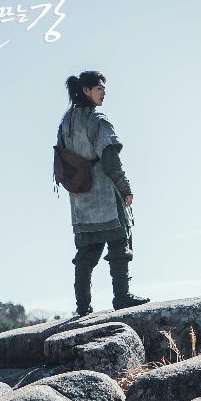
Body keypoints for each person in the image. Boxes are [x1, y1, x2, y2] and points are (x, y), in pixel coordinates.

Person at [57, 70, 150, 316]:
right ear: (86, 90)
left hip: (80, 198)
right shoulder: (98, 120)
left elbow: (61, 161)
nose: (104, 93)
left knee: (87, 252)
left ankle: (82, 308)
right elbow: (110, 160)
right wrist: (125, 188)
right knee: (120, 243)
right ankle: (122, 297)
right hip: (105, 194)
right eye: (100, 89)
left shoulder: (65, 122)